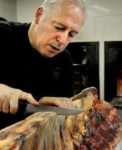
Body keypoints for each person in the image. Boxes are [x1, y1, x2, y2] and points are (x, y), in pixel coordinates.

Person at [0, 0, 85, 128]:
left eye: (71, 34)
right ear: (39, 15)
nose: (63, 40)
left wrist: (41, 103)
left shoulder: (64, 59)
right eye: (59, 28)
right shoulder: (3, 35)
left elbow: (59, 118)